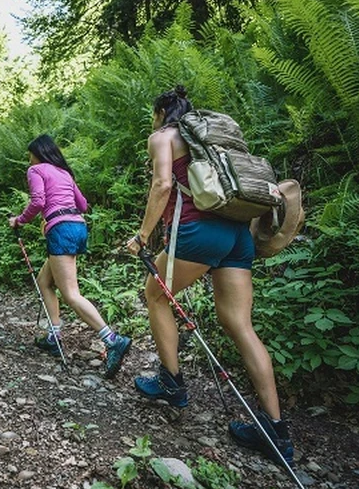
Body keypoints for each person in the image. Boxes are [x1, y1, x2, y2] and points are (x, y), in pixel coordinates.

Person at [125, 86, 294, 464]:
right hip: (238, 234)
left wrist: (142, 236)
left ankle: (171, 383)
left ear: (162, 111)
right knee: (239, 324)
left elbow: (163, 184)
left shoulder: (163, 137)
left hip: (199, 232)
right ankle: (275, 429)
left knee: (154, 295)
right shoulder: (212, 142)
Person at [9, 134, 132, 379]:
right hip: (78, 227)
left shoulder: (36, 170)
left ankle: (112, 339)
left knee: (71, 293)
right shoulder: (64, 173)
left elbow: (38, 201)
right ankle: (54, 336)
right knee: (45, 281)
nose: (29, 159)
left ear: (37, 153)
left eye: (30, 154)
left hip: (61, 229)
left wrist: (19, 220)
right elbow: (83, 205)